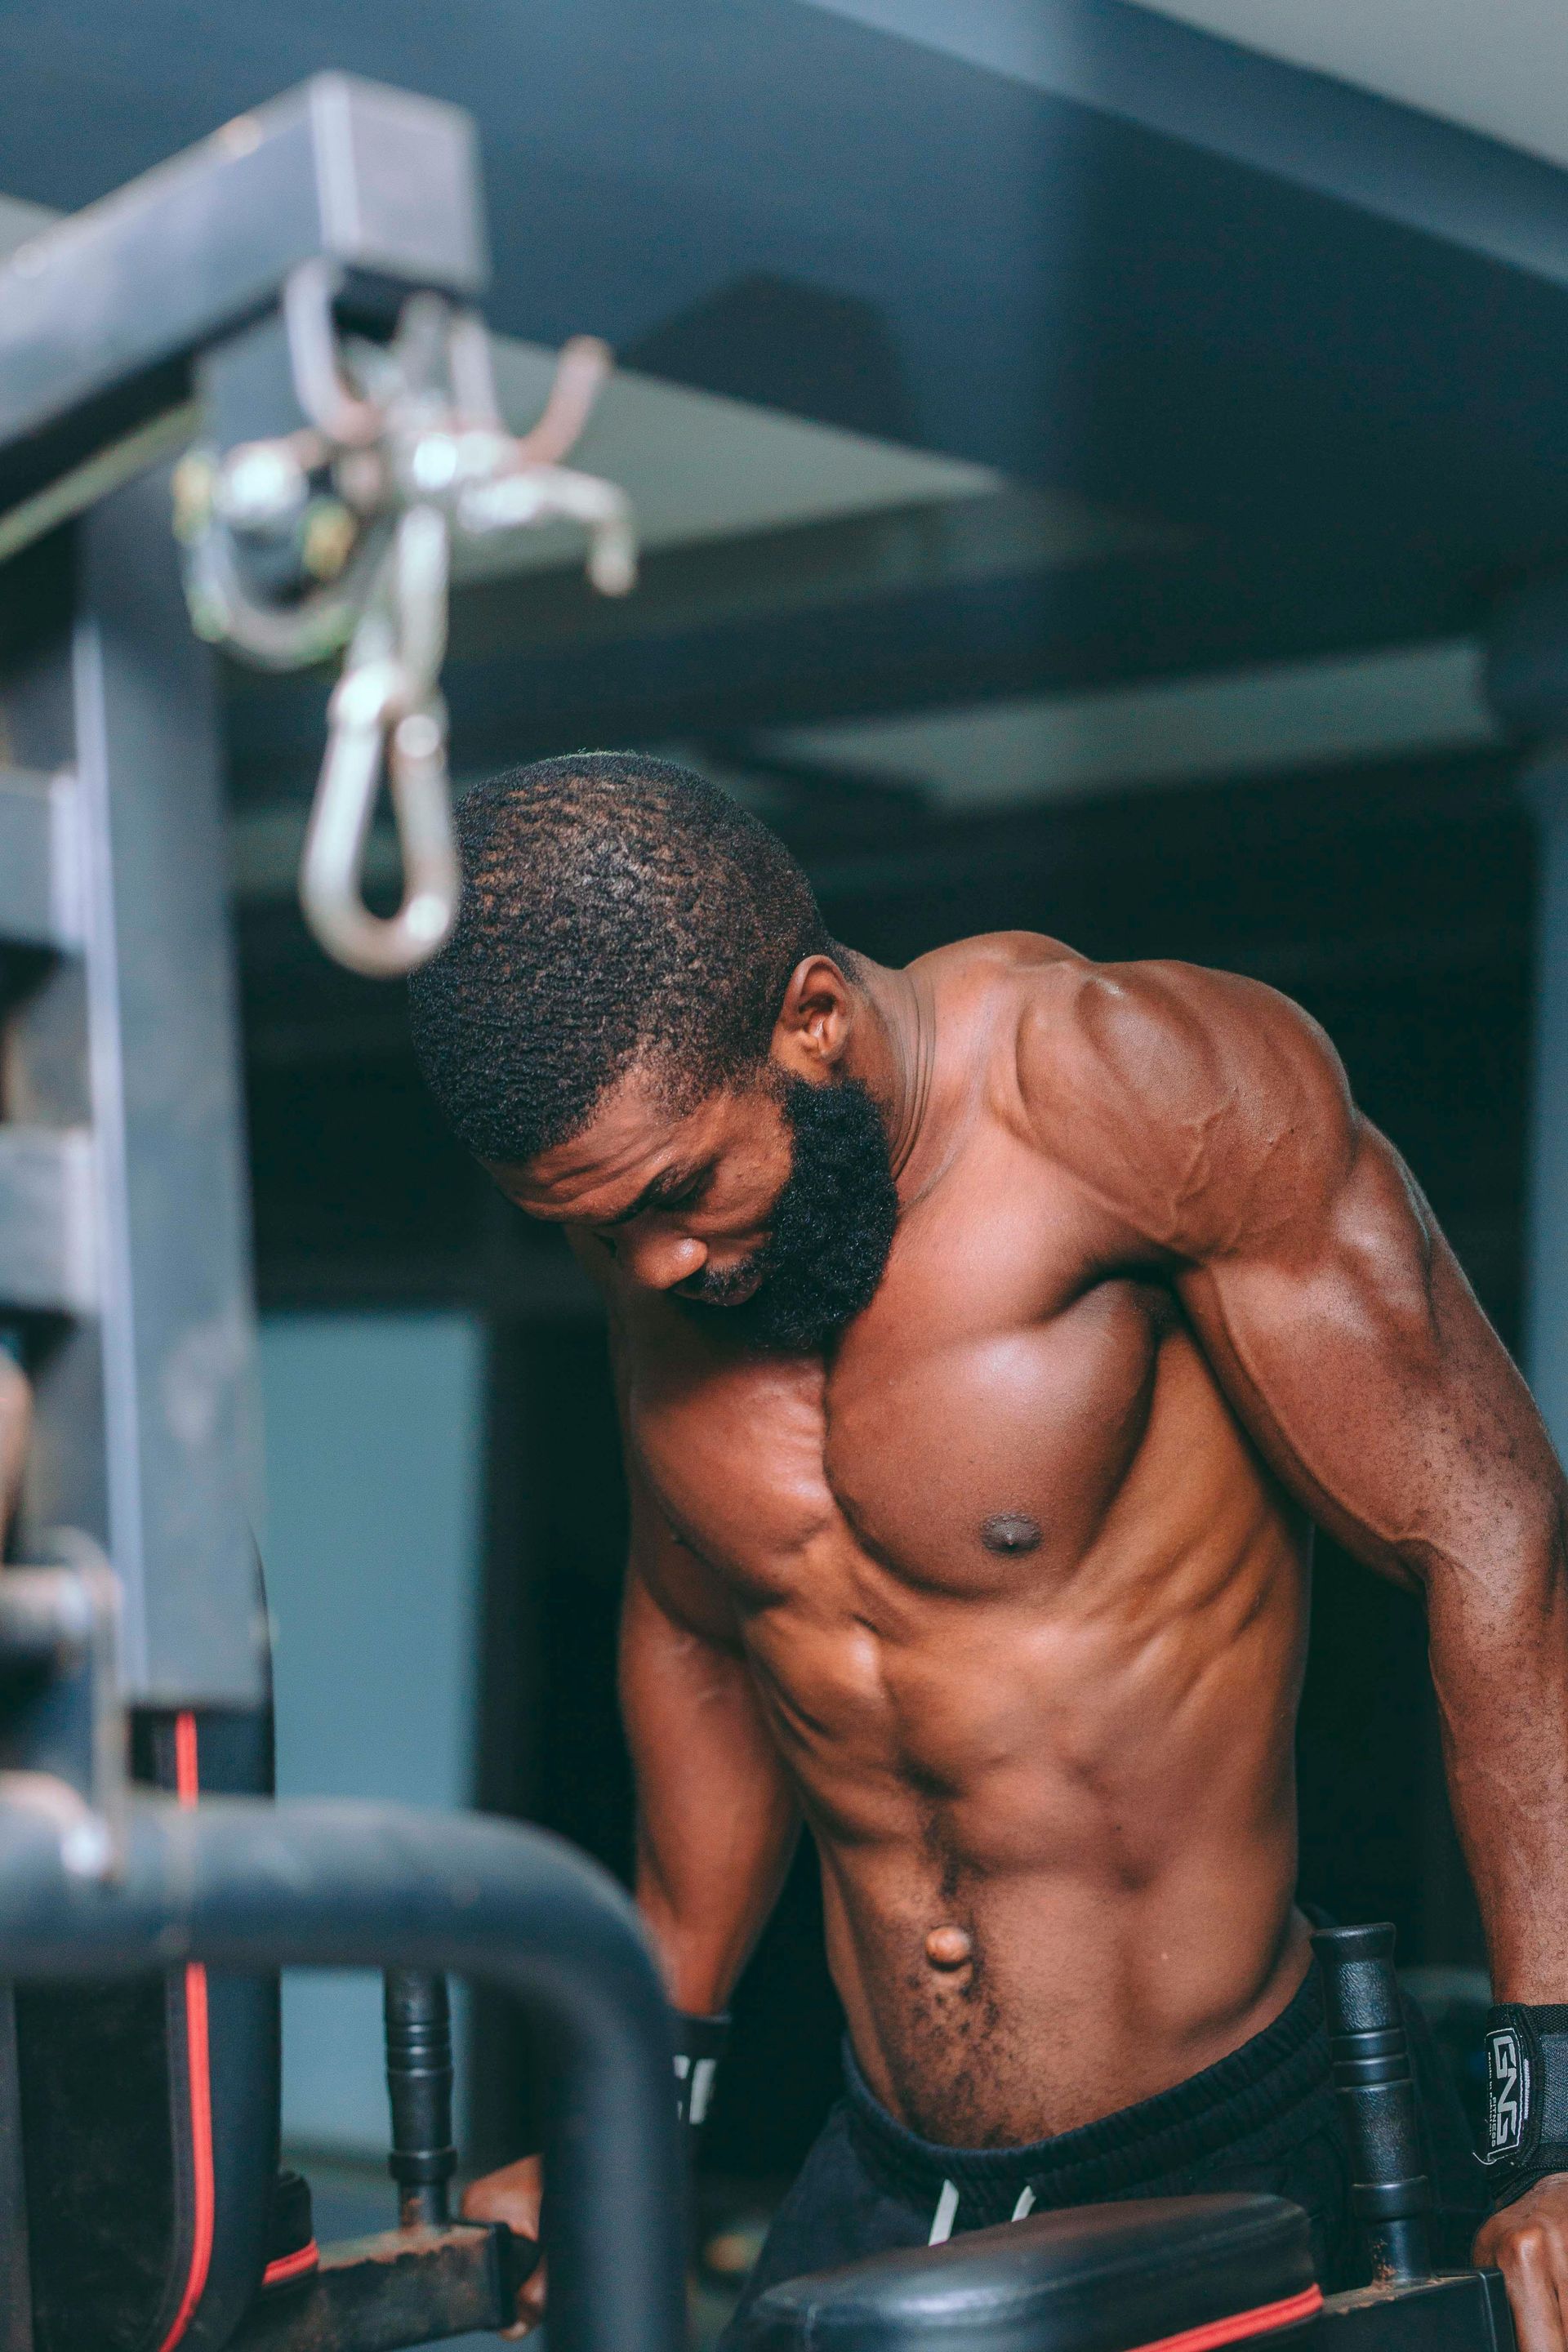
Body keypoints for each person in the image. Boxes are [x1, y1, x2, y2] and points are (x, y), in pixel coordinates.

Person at [408, 752, 1568, 2351]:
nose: (656, 1259)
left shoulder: (1129, 1088)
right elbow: (707, 1631)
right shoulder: (674, 1239)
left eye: (676, 1194)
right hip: (885, 2158)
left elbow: (1493, 1531)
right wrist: (639, 2113)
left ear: (812, 1019)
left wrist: (1552, 2117)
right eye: (596, 1228)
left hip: (1220, 2147)